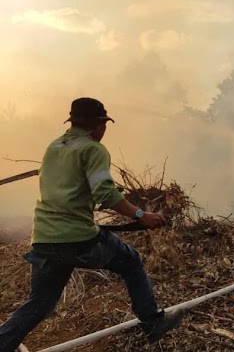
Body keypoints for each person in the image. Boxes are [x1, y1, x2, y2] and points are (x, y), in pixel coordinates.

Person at [0, 97, 184, 352]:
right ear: (98, 125)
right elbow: (105, 195)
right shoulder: (93, 149)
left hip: (43, 238)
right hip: (77, 239)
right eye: (105, 124)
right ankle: (152, 322)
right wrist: (142, 215)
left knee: (39, 303)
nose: (105, 130)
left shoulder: (53, 147)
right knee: (131, 262)